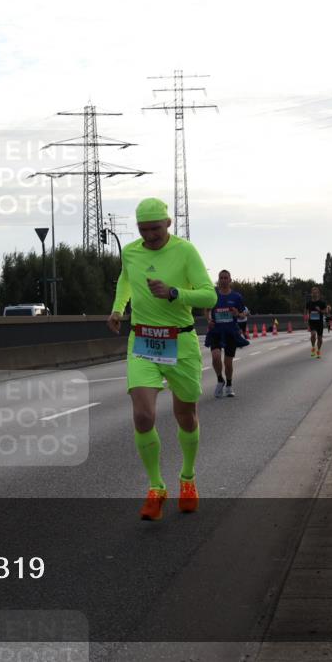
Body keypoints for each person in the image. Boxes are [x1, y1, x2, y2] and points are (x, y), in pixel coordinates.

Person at [108, 198, 216, 521]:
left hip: (180, 342)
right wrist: (118, 308)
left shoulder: (185, 252)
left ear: (168, 223)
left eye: (155, 228)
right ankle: (156, 487)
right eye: (144, 229)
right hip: (142, 339)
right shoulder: (130, 252)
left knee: (186, 416)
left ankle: (187, 478)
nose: (150, 235)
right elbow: (125, 279)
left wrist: (174, 293)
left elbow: (209, 295)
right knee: (143, 415)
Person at [204, 270, 248, 398]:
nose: (223, 280)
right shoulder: (213, 295)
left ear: (230, 280)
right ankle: (220, 380)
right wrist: (209, 320)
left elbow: (244, 313)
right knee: (216, 356)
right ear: (218, 280)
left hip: (230, 332)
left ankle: (229, 385)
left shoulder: (236, 297)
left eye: (225, 278)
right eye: (221, 278)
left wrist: (238, 314)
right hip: (216, 332)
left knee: (228, 363)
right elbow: (206, 310)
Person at [305, 286, 330, 359]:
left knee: (319, 338)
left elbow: (326, 312)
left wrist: (320, 310)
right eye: (313, 293)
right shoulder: (308, 303)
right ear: (311, 294)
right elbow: (306, 312)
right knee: (313, 335)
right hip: (312, 322)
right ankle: (313, 347)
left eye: (316, 293)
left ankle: (318, 350)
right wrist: (306, 319)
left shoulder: (322, 303)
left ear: (318, 294)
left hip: (319, 322)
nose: (314, 294)